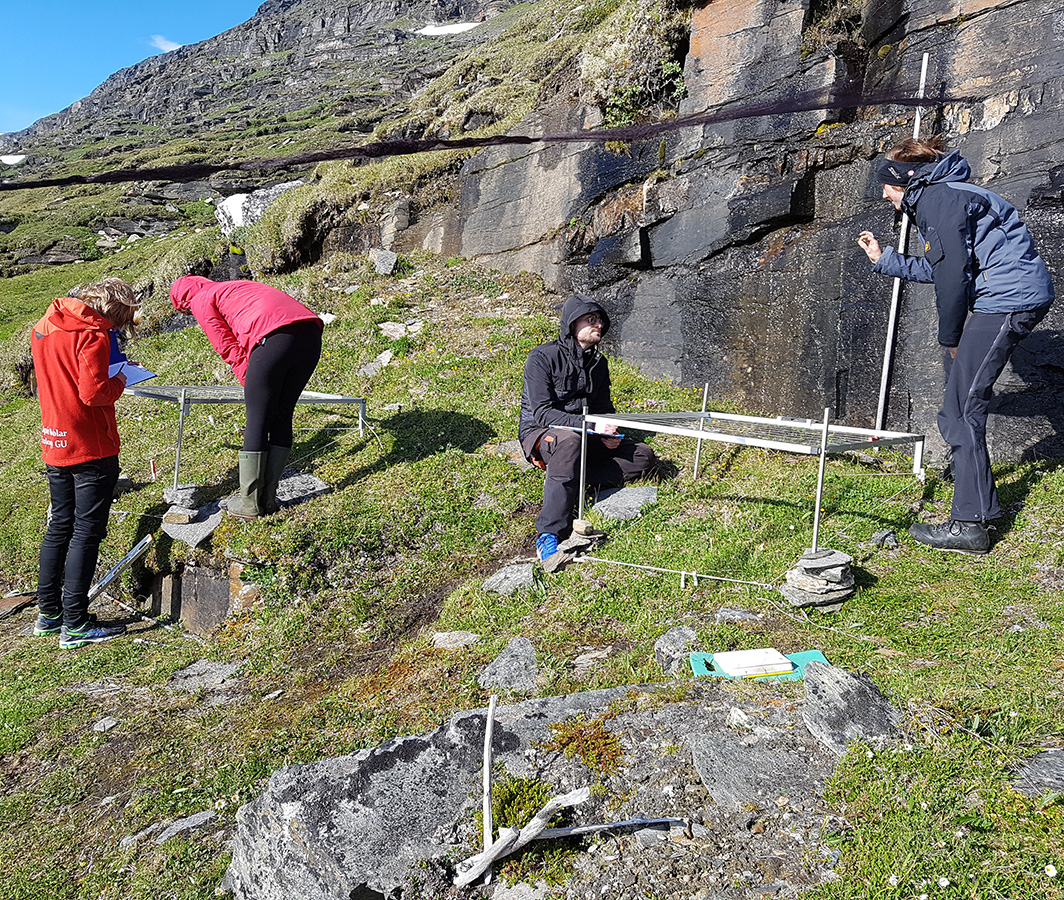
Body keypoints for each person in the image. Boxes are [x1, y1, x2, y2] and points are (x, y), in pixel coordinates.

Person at [857, 135, 1055, 554]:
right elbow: (946, 266)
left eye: (886, 186)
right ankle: (973, 503)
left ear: (903, 181)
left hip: (1008, 299)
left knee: (961, 408)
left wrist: (950, 338)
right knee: (959, 405)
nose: (884, 194)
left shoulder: (939, 200)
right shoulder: (947, 193)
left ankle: (971, 524)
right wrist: (884, 259)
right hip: (1007, 295)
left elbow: (952, 279)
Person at [31, 278, 140, 648]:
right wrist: (122, 378)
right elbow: (93, 393)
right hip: (90, 445)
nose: (115, 330)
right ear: (111, 311)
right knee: (86, 531)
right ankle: (75, 623)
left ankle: (49, 614)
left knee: (59, 524)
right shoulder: (92, 333)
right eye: (118, 323)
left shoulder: (45, 325)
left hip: (55, 439)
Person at [170, 276, 323, 519]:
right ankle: (269, 499)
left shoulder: (200, 299)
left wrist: (251, 382)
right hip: (310, 334)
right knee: (282, 415)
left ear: (184, 300)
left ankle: (250, 504)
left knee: (258, 418)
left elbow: (226, 346)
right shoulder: (232, 287)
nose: (191, 314)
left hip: (273, 337)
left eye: (186, 311)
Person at [519, 294, 657, 560]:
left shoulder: (599, 363)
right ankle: (549, 534)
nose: (599, 326)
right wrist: (592, 424)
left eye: (601, 321)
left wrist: (610, 433)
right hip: (542, 432)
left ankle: (573, 483)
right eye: (591, 319)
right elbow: (542, 412)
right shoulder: (542, 357)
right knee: (570, 441)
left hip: (586, 434)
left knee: (643, 456)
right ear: (572, 323)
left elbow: (604, 408)